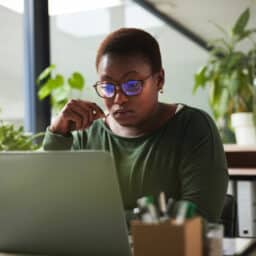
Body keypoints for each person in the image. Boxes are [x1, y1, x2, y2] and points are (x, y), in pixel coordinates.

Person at [43, 27, 228, 223]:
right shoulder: (86, 132)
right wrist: (57, 134)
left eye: (132, 85)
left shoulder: (193, 127)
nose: (119, 98)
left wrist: (99, 221)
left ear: (159, 80)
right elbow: (49, 208)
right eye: (107, 86)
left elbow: (200, 218)